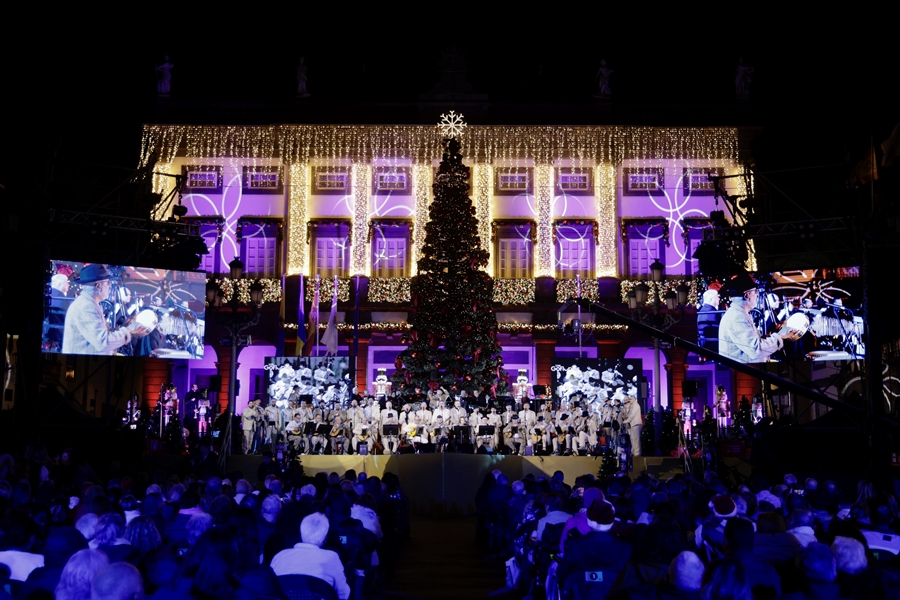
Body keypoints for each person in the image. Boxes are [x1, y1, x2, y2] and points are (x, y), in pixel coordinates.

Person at [63, 264, 148, 355]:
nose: (109, 286)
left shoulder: (90, 304)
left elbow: (101, 334)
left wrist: (124, 328)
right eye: (108, 283)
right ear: (98, 286)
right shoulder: (85, 307)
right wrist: (128, 331)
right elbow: (104, 342)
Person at [718, 272, 794, 364]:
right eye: (755, 291)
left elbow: (751, 342)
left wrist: (772, 333)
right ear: (746, 296)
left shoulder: (741, 314)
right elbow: (756, 350)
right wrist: (780, 338)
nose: (757, 295)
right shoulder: (737, 317)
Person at [271, 512, 350, 600]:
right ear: (325, 537)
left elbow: (270, 590)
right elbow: (344, 594)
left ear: (301, 532)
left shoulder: (279, 556)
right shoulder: (332, 557)